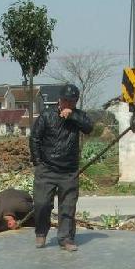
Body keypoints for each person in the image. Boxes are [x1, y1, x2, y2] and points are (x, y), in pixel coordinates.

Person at [30, 83, 93, 251]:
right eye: (66, 100)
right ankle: (41, 232)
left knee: (68, 207)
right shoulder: (47, 115)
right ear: (59, 99)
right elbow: (35, 139)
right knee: (42, 203)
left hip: (69, 170)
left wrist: (72, 116)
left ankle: (66, 238)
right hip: (47, 169)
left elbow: (89, 128)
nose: (69, 104)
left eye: (72, 101)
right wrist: (37, 162)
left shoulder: (78, 116)